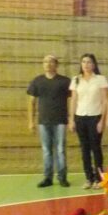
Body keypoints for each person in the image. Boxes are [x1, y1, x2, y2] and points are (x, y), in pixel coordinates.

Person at [27, 54, 71, 188]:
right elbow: (31, 101)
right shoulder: (37, 81)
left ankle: (62, 177)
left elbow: (71, 100)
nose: (48, 64)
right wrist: (31, 121)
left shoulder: (64, 81)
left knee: (60, 149)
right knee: (46, 150)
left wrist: (71, 118)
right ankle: (47, 178)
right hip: (43, 121)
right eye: (45, 62)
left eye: (51, 62)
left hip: (60, 120)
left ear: (56, 65)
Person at [68, 53, 107, 189]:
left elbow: (105, 101)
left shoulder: (100, 79)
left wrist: (102, 120)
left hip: (95, 117)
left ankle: (99, 178)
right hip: (80, 117)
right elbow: (73, 100)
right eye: (83, 62)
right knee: (84, 149)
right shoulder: (76, 80)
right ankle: (88, 178)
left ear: (94, 64)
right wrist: (71, 119)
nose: (86, 64)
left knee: (96, 148)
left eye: (89, 62)